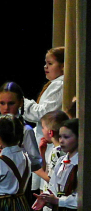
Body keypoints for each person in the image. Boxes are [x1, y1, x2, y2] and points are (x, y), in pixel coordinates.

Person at [0, 82, 42, 178]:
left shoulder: (25, 130)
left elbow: (36, 162)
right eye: (2, 103)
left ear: (20, 103)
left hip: (16, 182)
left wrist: (14, 160)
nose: (6, 108)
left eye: (11, 103)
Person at [23, 47, 65, 190]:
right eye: (45, 63)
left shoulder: (59, 85)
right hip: (44, 145)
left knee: (48, 187)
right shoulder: (54, 84)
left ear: (63, 66)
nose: (45, 67)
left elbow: (42, 114)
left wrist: (22, 103)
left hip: (50, 145)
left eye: (50, 63)